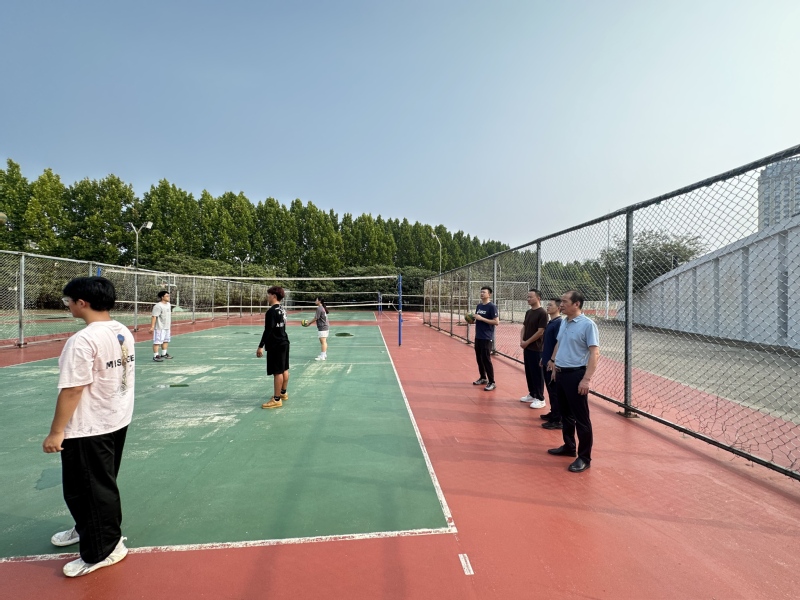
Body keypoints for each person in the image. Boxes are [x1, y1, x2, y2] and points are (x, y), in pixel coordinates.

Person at [43, 276, 134, 577]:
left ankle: (104, 549)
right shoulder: (121, 330)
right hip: (115, 420)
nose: (67, 305)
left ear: (81, 303)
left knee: (89, 490)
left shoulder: (83, 340)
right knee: (96, 486)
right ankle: (88, 528)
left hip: (89, 427)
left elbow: (72, 389)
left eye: (68, 301)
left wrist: (57, 431)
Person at [546, 290, 600, 473]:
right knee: (565, 415)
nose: (561, 304)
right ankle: (569, 446)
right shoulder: (564, 322)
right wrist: (554, 363)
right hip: (561, 374)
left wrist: (586, 380)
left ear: (576, 304)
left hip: (576, 375)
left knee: (581, 418)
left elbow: (595, 353)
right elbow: (559, 343)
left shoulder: (588, 325)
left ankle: (584, 457)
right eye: (561, 301)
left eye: (564, 301)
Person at [257, 286, 290, 408]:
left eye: (269, 294)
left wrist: (261, 346)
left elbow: (268, 330)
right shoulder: (282, 309)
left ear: (274, 296)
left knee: (277, 372)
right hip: (284, 342)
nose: (268, 297)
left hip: (276, 344)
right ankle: (283, 393)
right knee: (284, 369)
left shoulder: (271, 311)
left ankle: (276, 399)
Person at [519, 289, 548, 409]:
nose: (528, 299)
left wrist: (527, 342)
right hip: (527, 348)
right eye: (527, 297)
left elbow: (540, 332)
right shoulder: (528, 312)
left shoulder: (542, 313)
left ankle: (540, 398)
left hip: (537, 349)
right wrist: (522, 340)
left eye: (531, 297)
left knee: (537, 373)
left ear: (538, 298)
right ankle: (532, 394)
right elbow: (524, 327)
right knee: (529, 372)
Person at [540, 298, 564, 429]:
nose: (547, 306)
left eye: (550, 305)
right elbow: (548, 343)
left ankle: (557, 419)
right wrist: (543, 358)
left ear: (558, 308)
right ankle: (553, 412)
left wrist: (553, 360)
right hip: (546, 360)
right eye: (547, 304)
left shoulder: (559, 323)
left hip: (552, 363)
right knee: (550, 390)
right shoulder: (551, 322)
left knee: (554, 391)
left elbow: (558, 344)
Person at [472, 286, 500, 391]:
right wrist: (472, 319)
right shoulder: (479, 306)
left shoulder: (492, 307)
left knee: (486, 359)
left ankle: (492, 382)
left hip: (487, 337)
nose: (482, 293)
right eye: (481, 292)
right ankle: (483, 378)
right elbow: (477, 319)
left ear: (489, 294)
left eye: (484, 292)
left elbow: (496, 322)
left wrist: (481, 318)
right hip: (478, 336)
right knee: (479, 358)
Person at [149, 290, 172, 362]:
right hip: (160, 327)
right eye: (167, 296)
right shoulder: (158, 306)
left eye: (169, 296)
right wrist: (152, 327)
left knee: (166, 340)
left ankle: (164, 354)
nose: (168, 297)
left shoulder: (168, 304)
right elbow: (154, 316)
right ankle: (156, 356)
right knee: (157, 342)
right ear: (162, 297)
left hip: (167, 327)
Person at [308, 296, 330, 361]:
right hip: (324, 326)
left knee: (323, 342)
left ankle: (322, 356)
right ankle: (324, 354)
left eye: (316, 300)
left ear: (319, 301)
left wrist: (309, 323)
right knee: (323, 341)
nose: (315, 301)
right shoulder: (322, 307)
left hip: (323, 327)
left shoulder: (319, 308)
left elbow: (316, 318)